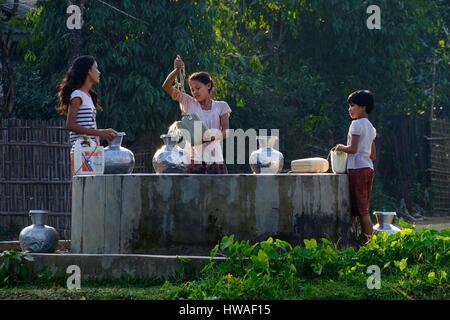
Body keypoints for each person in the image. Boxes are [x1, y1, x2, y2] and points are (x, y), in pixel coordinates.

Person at [162, 54, 231, 174]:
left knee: (218, 192)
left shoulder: (221, 106)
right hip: (193, 160)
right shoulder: (188, 102)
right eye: (192, 89)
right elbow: (166, 86)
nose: (194, 92)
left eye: (198, 88)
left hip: (215, 159)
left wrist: (211, 137)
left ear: (208, 86)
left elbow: (226, 131)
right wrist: (177, 70)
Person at [334, 90, 377, 243]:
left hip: (357, 169)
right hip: (368, 168)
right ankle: (364, 241)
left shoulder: (356, 124)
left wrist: (339, 147)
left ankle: (371, 244)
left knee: (362, 211)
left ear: (363, 107)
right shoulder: (371, 127)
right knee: (363, 207)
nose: (349, 109)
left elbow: (352, 149)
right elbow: (372, 155)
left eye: (353, 106)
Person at [56, 55, 117, 146]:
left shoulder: (88, 96)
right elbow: (70, 125)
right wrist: (100, 133)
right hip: (81, 152)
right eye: (96, 68)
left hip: (90, 150)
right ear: (88, 71)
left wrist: (103, 132)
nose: (99, 72)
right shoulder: (77, 95)